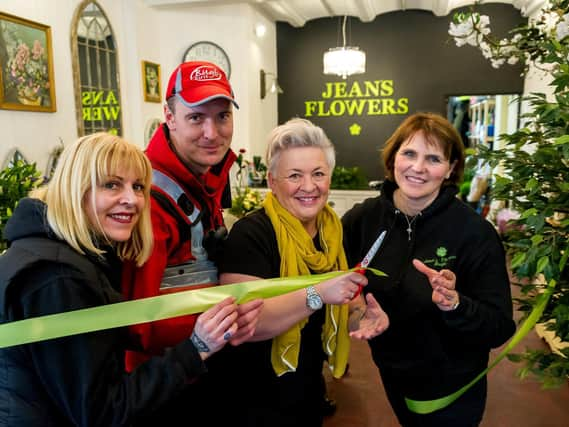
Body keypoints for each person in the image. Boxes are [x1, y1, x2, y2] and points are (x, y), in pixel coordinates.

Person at [0, 133, 247, 425]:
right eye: (112, 185)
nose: (132, 200)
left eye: (139, 187)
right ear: (75, 189)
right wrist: (196, 347)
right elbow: (102, 412)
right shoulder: (58, 278)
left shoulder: (51, 253)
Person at [342, 112, 516, 427]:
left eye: (433, 158)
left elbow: (500, 328)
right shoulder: (362, 220)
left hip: (454, 387)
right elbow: (338, 280)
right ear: (393, 157)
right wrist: (357, 309)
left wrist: (456, 304)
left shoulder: (475, 233)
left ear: (450, 169)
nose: (418, 167)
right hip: (392, 374)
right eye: (409, 153)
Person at [218, 118, 389, 427]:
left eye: (318, 174)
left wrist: (362, 315)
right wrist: (318, 293)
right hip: (254, 398)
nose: (309, 186)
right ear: (272, 181)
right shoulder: (251, 234)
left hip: (308, 388)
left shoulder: (333, 232)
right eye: (294, 175)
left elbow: (347, 299)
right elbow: (246, 323)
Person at [121, 60, 263, 424]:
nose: (212, 133)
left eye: (222, 116)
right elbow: (137, 326)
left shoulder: (202, 177)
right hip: (165, 383)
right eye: (196, 118)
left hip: (199, 365)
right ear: (169, 116)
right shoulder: (148, 200)